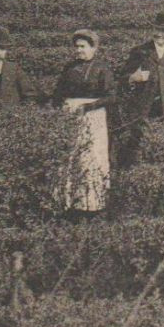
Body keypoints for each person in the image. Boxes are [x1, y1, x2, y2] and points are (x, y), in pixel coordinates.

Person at [51, 30, 114, 214]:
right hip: (71, 116)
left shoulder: (102, 68)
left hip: (93, 117)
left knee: (90, 156)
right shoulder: (69, 68)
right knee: (70, 156)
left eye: (83, 47)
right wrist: (59, 107)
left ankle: (92, 204)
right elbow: (58, 92)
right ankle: (69, 201)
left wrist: (88, 106)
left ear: (93, 48)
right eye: (77, 47)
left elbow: (111, 97)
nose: (79, 50)